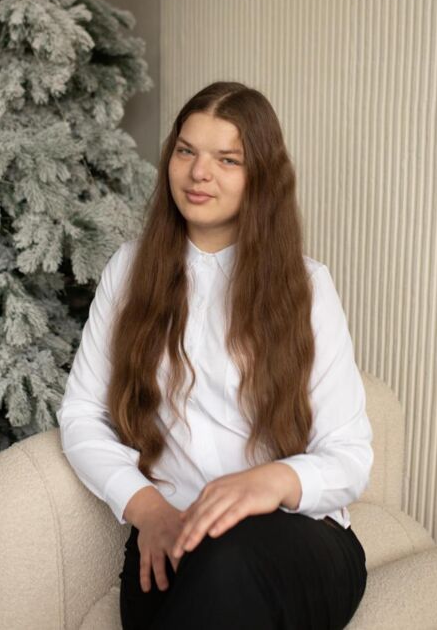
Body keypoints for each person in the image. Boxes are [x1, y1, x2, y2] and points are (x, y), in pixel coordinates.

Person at [56, 81, 372, 629]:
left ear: (261, 176)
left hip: (296, 541)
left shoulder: (306, 287)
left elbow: (349, 457)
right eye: (186, 151)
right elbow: (82, 414)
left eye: (228, 159)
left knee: (229, 563)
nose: (199, 173)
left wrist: (267, 482)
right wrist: (146, 507)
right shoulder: (128, 271)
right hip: (172, 533)